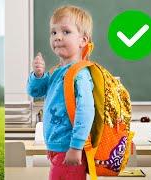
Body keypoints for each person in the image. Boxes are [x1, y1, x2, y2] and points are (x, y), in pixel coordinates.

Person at [27, 5, 95, 180]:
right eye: (53, 32)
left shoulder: (80, 74)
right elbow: (35, 92)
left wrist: (76, 146)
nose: (57, 37)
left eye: (65, 32)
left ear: (83, 40)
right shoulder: (57, 71)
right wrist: (38, 75)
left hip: (69, 148)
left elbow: (86, 110)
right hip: (57, 147)